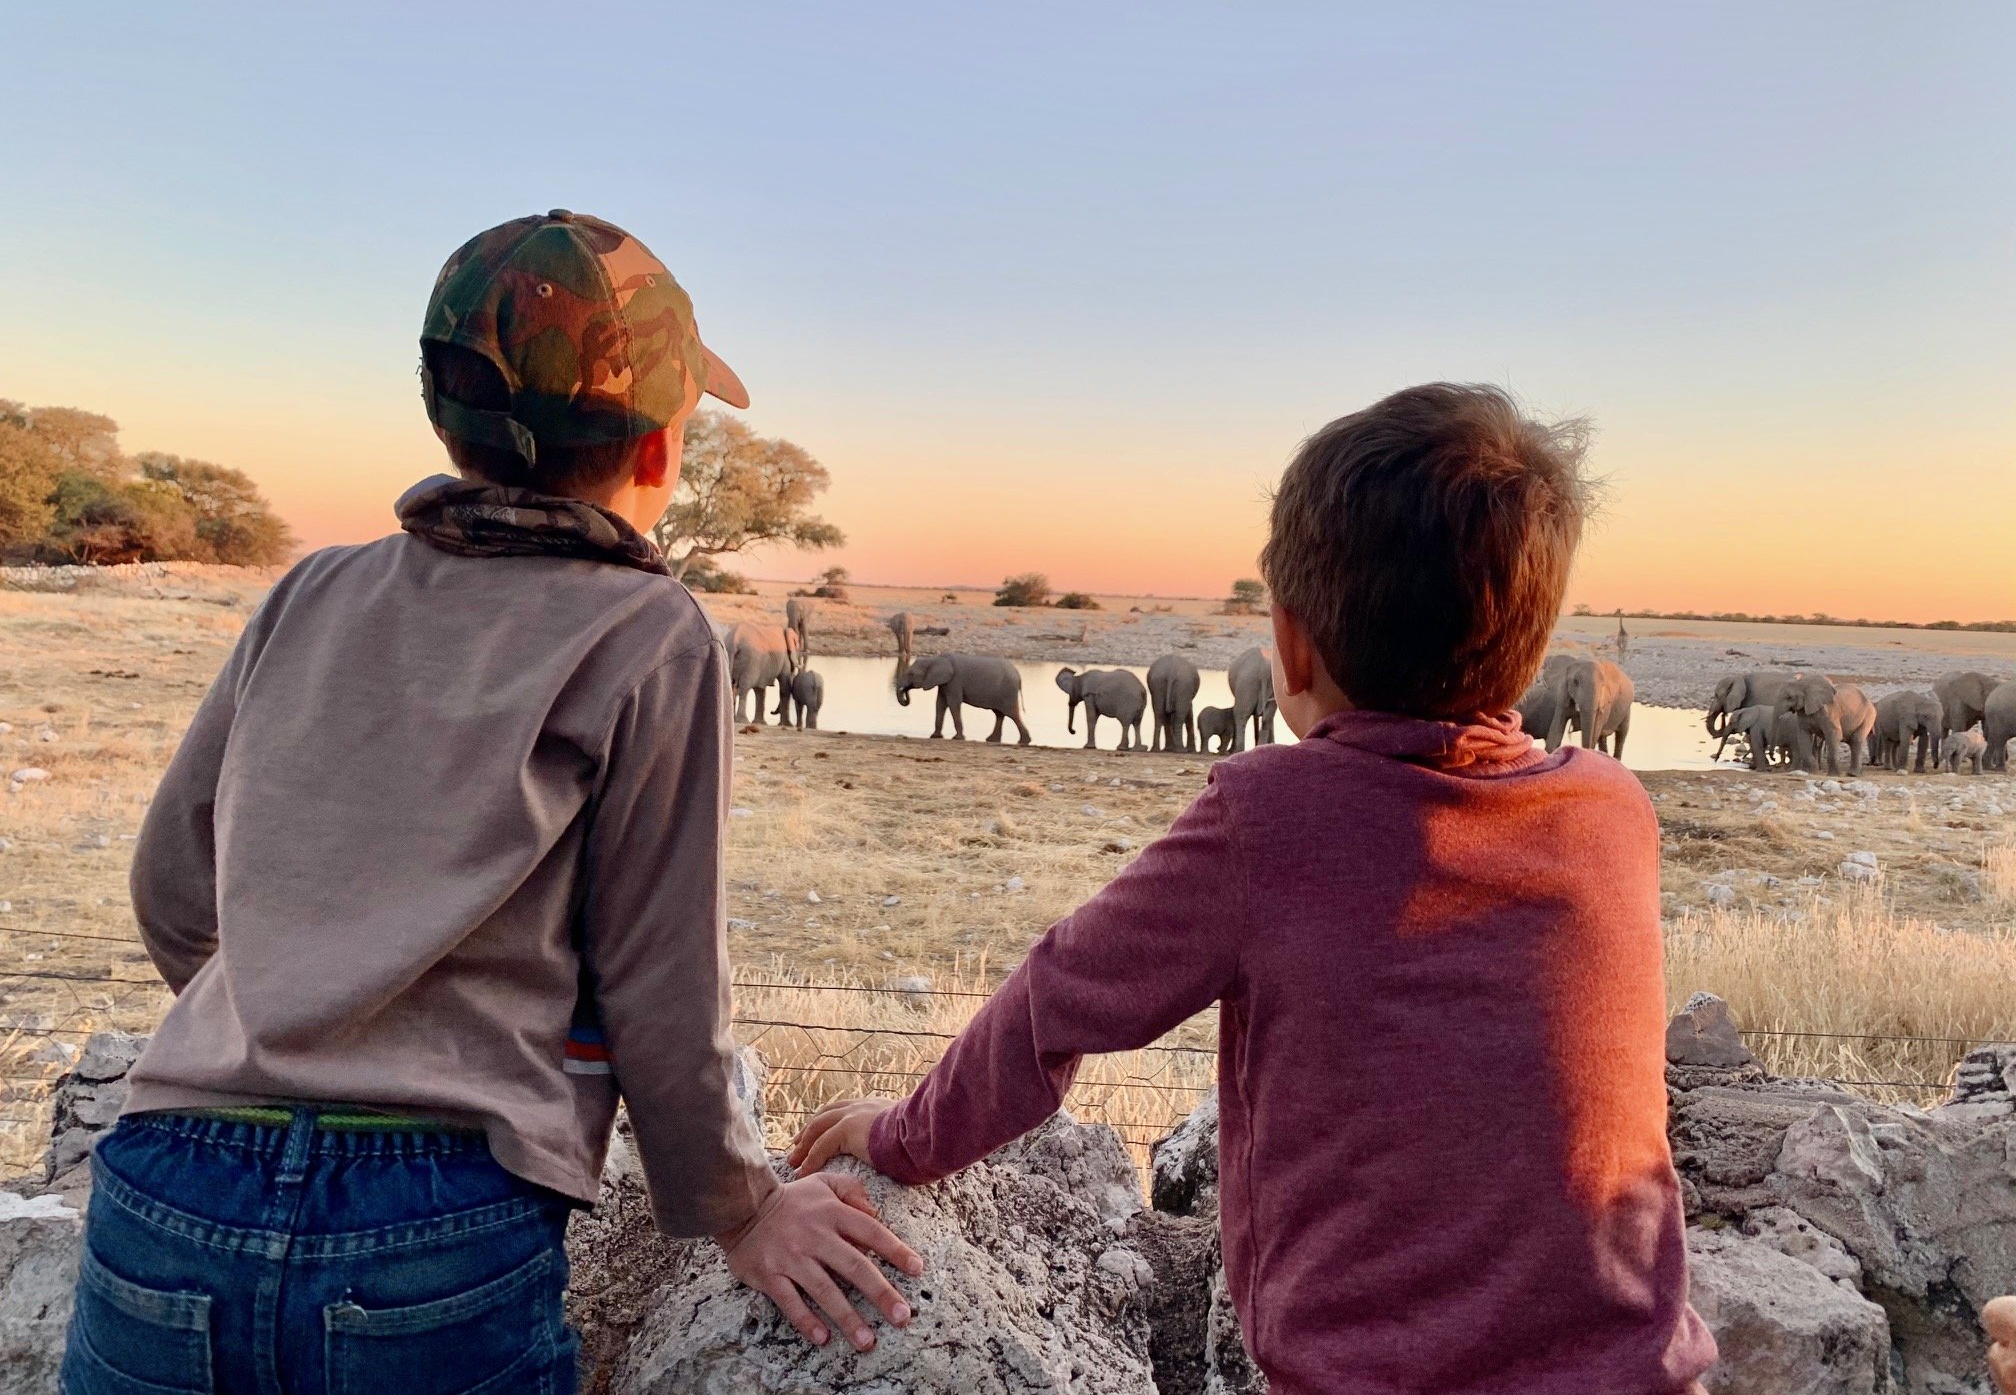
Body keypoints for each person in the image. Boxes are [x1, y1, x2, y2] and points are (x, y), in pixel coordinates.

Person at [64, 211, 919, 1394]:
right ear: (662, 453)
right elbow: (659, 982)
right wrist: (741, 1207)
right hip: (433, 1225)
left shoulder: (311, 593)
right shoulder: (648, 631)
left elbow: (171, 892)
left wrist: (294, 1014)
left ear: (443, 414)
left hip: (169, 1185)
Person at [793, 384, 1717, 1393]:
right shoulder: (1613, 809)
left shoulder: (1271, 816)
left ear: (1289, 641)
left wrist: (903, 1137)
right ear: (1538, 645)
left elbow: (1058, 997)